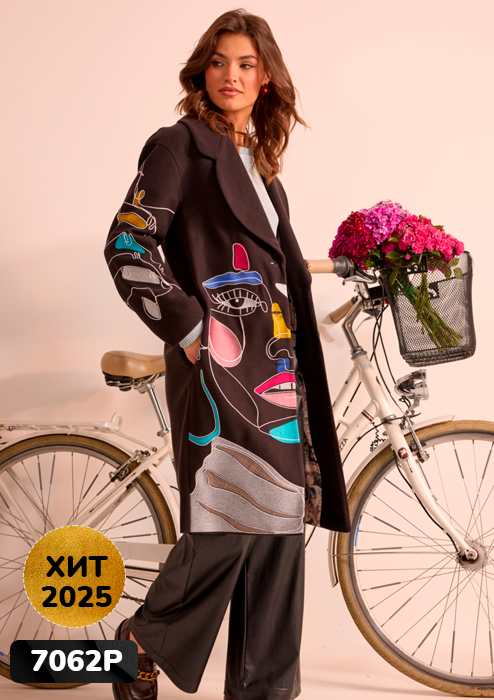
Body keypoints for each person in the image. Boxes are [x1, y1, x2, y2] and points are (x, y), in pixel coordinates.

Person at [104, 9, 350, 700]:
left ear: (266, 78)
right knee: (233, 514)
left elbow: (268, 262)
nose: (230, 75)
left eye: (245, 64)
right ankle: (142, 641)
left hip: (275, 365)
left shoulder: (263, 169)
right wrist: (190, 332)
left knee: (278, 526)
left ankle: (265, 690)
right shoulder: (179, 146)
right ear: (202, 72)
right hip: (219, 366)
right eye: (218, 62)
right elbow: (128, 244)